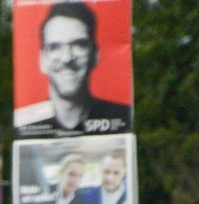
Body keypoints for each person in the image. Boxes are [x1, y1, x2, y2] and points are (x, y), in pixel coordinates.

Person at [14, 2, 132, 136]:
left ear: (95, 55)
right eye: (54, 47)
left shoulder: (120, 118)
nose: (67, 58)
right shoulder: (27, 125)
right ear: (42, 61)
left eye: (79, 45)